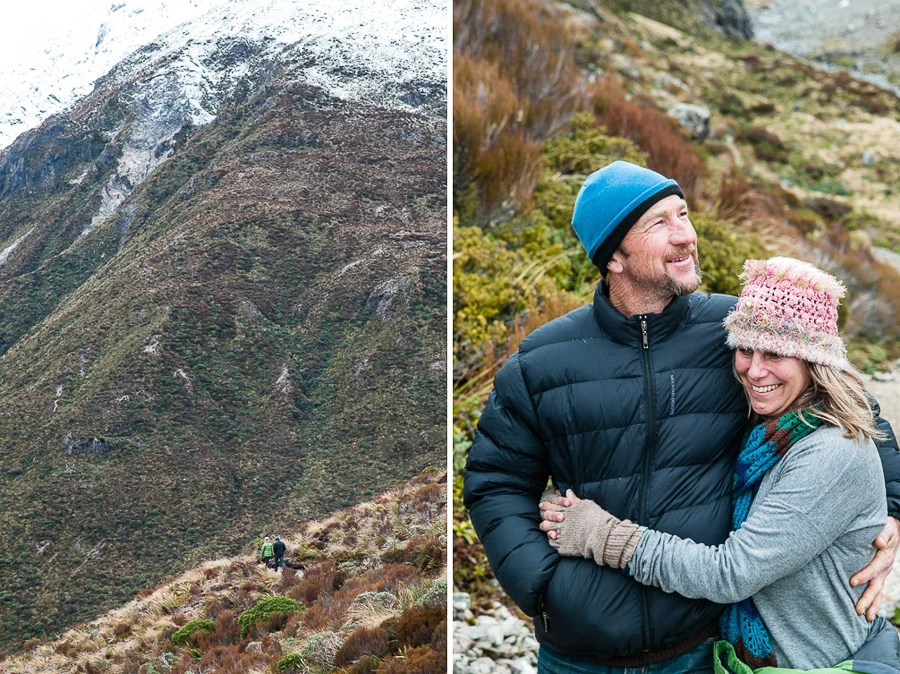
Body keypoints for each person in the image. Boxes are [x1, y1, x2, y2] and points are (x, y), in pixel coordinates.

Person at [462, 161, 900, 671]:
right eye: (659, 223)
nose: (686, 236)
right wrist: (545, 590)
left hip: (701, 645)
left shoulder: (735, 329)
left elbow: (852, 411)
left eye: (684, 214)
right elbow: (495, 482)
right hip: (579, 652)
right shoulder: (542, 361)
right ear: (614, 257)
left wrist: (887, 514)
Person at [540, 257, 900, 672]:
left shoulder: (830, 452)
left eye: (777, 353)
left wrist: (602, 535)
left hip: (813, 664)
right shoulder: (769, 427)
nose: (754, 369)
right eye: (745, 349)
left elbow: (731, 573)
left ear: (814, 361)